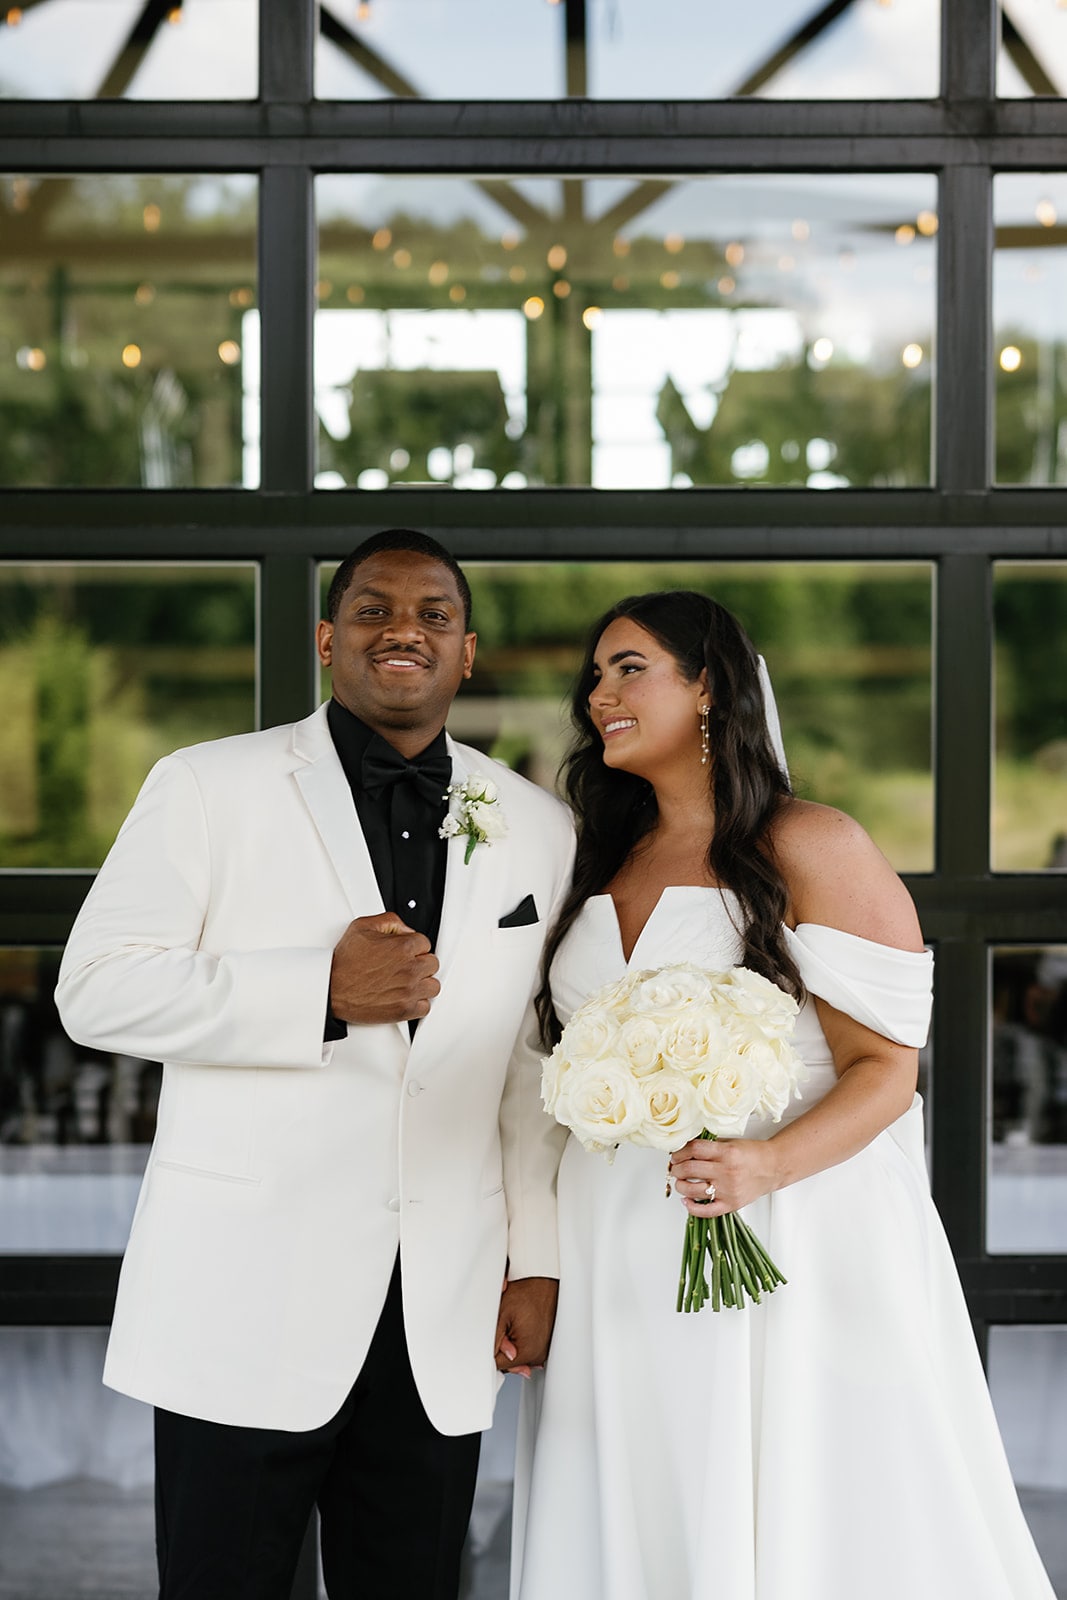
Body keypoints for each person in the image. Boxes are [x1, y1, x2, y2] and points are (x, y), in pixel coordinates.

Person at [55, 529, 574, 1600]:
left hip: (438, 1305)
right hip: (243, 1292)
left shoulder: (537, 825)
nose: (404, 630)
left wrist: (537, 1256)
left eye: (433, 614)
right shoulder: (207, 786)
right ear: (329, 638)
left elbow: (527, 1071)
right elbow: (95, 986)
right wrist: (318, 995)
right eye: (376, 609)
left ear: (465, 652)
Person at [511, 590, 1055, 1600]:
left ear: (708, 684)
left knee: (794, 1503)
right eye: (593, 676)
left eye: (629, 668)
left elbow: (887, 1070)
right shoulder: (594, 857)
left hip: (783, 1236)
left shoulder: (811, 844)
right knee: (646, 1496)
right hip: (614, 1248)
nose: (598, 695)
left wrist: (763, 1162)